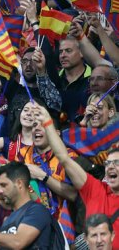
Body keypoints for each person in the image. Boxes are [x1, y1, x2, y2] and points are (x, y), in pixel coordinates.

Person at [35, 103, 119, 249]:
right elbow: (64, 158)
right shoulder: (94, 189)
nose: (111, 166)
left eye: (116, 162)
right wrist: (47, 122)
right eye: (108, 163)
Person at [0, 162, 54, 249]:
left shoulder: (37, 211)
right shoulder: (9, 219)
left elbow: (18, 242)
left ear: (19, 183)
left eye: (3, 185)